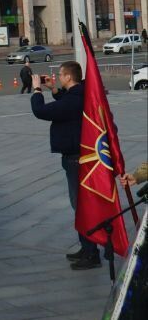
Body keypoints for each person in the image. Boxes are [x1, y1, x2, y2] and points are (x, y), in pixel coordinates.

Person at [30, 61, 100, 270]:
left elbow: (41, 111)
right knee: (80, 204)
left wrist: (36, 90)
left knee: (80, 205)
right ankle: (88, 248)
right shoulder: (79, 95)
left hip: (75, 158)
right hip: (78, 155)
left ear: (69, 77)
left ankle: (91, 253)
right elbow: (67, 104)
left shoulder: (74, 99)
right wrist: (53, 89)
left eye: (61, 75)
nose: (59, 77)